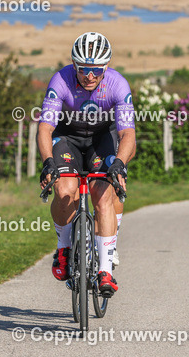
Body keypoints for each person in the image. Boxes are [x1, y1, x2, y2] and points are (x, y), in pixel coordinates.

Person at [37, 31, 135, 297]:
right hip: (66, 138)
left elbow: (128, 134)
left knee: (103, 197)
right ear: (74, 65)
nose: (89, 76)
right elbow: (45, 128)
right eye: (82, 69)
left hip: (101, 140)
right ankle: (64, 248)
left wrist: (120, 164)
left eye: (95, 70)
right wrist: (48, 162)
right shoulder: (60, 80)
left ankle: (105, 270)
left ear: (106, 66)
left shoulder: (117, 85)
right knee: (65, 190)